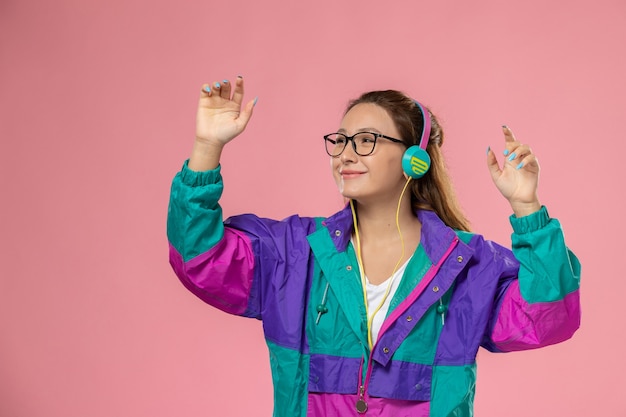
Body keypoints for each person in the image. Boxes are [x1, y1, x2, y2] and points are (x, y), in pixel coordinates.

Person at [167, 75, 581, 417]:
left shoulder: (468, 267)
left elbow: (549, 316)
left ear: (413, 158)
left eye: (366, 140)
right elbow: (200, 260)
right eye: (340, 140)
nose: (345, 154)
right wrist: (207, 146)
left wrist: (526, 206)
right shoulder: (294, 255)